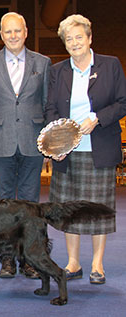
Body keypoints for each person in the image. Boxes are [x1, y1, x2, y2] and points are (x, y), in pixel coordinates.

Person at [45, 14, 126, 284]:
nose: (75, 42)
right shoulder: (57, 71)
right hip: (68, 153)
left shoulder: (110, 65)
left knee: (98, 208)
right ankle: (73, 263)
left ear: (90, 38)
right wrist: (55, 142)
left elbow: (122, 102)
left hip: (99, 149)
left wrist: (99, 118)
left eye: (79, 37)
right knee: (69, 209)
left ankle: (98, 265)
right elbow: (51, 110)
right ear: (64, 43)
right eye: (69, 38)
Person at [0, 12, 51, 278]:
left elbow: (47, 106)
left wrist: (50, 143)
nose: (13, 36)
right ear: (1, 34)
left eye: (17, 31)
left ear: (26, 32)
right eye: (8, 32)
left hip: (33, 143)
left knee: (31, 205)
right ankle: (7, 258)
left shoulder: (43, 62)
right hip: (0, 143)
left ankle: (30, 259)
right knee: (3, 205)